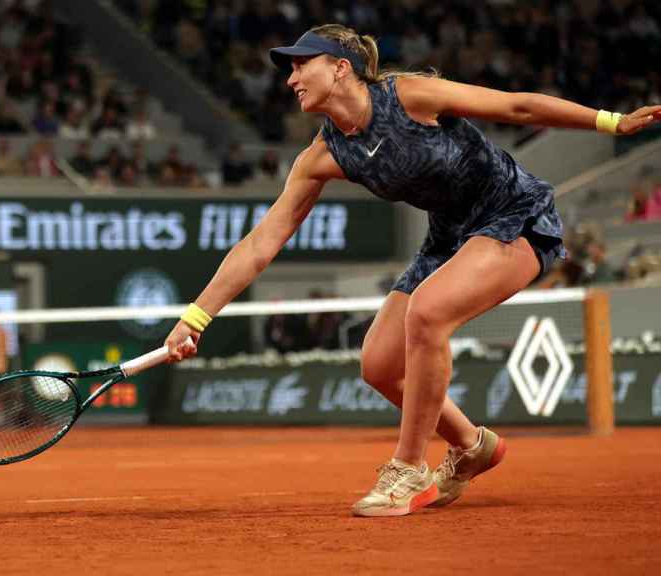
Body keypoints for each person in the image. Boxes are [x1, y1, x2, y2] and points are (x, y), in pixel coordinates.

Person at [163, 24, 661, 518]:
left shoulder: (409, 96)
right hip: (448, 238)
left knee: (427, 312)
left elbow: (518, 107)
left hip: (515, 214)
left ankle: (408, 467)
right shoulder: (322, 156)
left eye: (300, 64)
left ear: (340, 69)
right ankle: (471, 445)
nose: (291, 78)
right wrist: (197, 317)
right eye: (289, 69)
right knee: (378, 364)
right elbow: (258, 245)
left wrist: (612, 122)